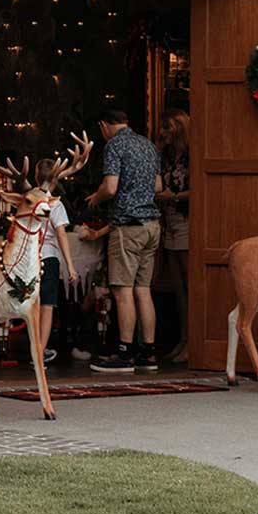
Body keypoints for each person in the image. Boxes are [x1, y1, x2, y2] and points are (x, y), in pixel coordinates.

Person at [85, 108, 161, 373]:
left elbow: (110, 187)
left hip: (128, 227)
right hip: (152, 226)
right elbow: (158, 187)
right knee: (143, 290)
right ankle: (148, 353)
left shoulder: (114, 146)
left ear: (104, 125)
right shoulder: (148, 145)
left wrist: (96, 197)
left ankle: (124, 352)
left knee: (122, 290)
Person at [35, 158, 78, 365]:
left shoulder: (30, 199)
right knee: (47, 305)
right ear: (55, 180)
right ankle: (39, 351)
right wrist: (70, 266)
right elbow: (61, 234)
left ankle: (35, 346)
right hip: (49, 257)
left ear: (36, 177)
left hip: (31, 258)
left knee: (31, 304)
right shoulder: (55, 204)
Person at [156, 109, 190, 363]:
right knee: (178, 288)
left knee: (191, 285)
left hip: (186, 221)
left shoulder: (191, 155)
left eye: (166, 128)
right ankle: (182, 339)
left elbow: (201, 188)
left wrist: (175, 197)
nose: (162, 132)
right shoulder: (166, 155)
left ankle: (193, 341)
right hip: (169, 222)